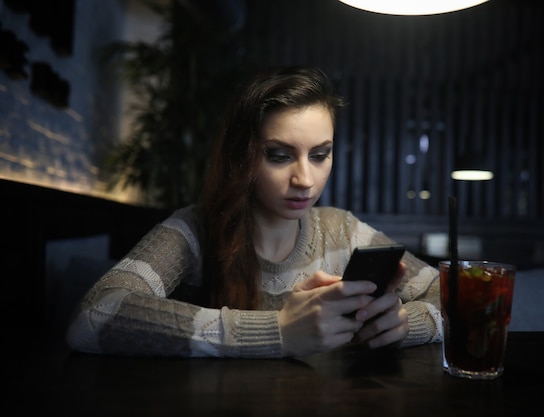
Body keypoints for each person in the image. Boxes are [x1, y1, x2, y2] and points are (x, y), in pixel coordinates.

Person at [66, 65, 442, 358]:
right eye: (279, 155)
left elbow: (450, 292)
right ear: (241, 155)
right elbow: (94, 316)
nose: (305, 179)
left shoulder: (341, 229)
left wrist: (409, 324)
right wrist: (278, 332)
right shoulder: (194, 230)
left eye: (320, 154)